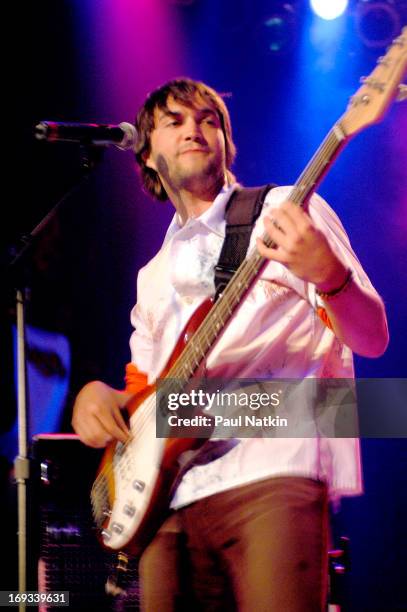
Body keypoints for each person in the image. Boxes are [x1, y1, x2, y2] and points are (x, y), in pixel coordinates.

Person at [72, 78, 389, 611]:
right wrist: (98, 398)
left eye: (209, 120)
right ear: (146, 155)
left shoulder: (286, 208)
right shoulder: (151, 278)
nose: (194, 129)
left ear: (227, 143)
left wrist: (329, 274)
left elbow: (373, 337)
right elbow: (150, 397)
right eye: (174, 122)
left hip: (272, 474)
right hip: (167, 501)